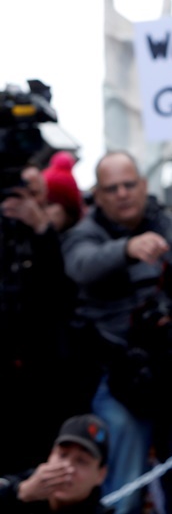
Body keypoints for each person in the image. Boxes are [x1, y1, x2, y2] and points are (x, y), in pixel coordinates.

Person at [61, 152, 172, 514]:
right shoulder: (84, 235)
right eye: (112, 188)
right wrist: (126, 249)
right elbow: (80, 266)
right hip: (122, 379)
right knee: (125, 495)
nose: (122, 193)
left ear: (144, 186)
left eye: (129, 184)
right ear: (98, 195)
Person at [1, 165, 81, 475]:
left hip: (44, 378)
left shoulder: (54, 238)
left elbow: (60, 295)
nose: (22, 203)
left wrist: (41, 229)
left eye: (32, 194)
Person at [0, 414, 112, 513]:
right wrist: (20, 493)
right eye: (62, 455)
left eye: (81, 461)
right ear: (51, 455)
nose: (68, 467)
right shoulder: (21, 482)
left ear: (101, 475)